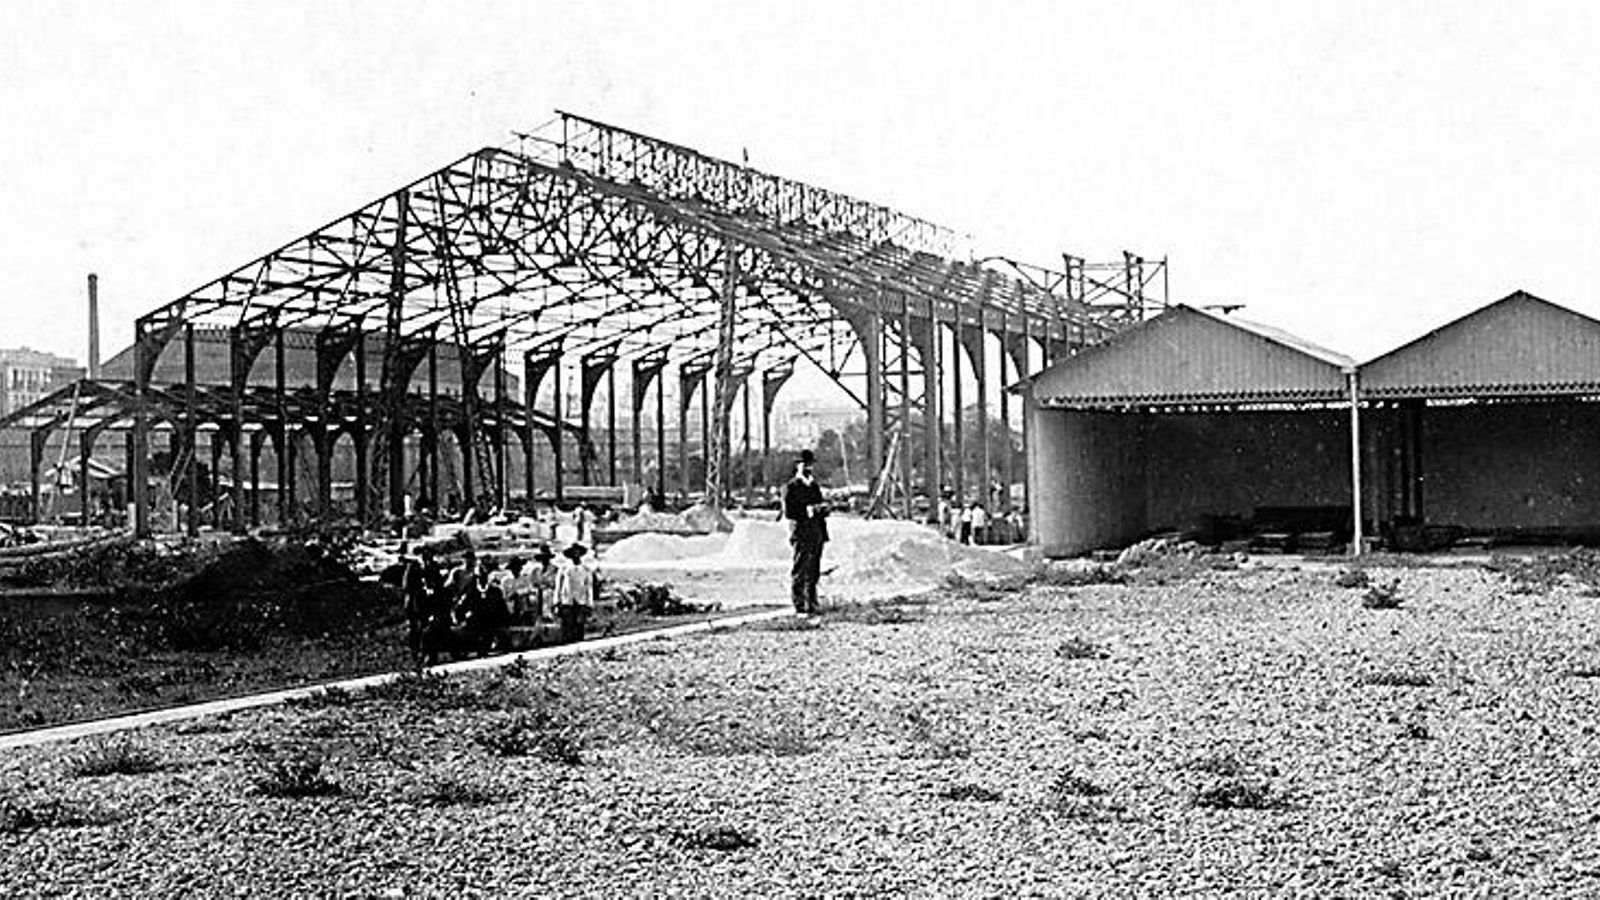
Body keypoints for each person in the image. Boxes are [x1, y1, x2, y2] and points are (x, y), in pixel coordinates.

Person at [782, 448, 829, 615]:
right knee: (800, 568)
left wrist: (823, 509)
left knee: (814, 570)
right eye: (805, 465)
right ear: (797, 466)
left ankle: (812, 602)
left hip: (816, 532)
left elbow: (821, 505)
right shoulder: (792, 487)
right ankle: (799, 604)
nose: (808, 468)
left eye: (810, 465)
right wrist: (809, 510)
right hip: (801, 532)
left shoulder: (814, 486)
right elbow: (790, 513)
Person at [553, 542, 597, 644]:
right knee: (567, 626)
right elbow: (558, 586)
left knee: (579, 625)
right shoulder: (564, 569)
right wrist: (557, 602)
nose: (575, 555)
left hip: (580, 601)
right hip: (567, 601)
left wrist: (589, 604)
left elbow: (588, 587)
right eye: (573, 553)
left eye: (577, 553)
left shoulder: (586, 570)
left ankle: (578, 647)